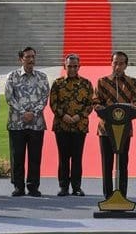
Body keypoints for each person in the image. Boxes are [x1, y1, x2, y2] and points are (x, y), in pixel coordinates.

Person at [93, 51, 136, 198]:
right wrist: (100, 108)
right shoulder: (102, 81)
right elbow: (96, 102)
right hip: (106, 129)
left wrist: (134, 107)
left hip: (124, 128)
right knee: (107, 164)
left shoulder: (132, 82)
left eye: (121, 63)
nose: (117, 66)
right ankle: (108, 196)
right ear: (111, 63)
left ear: (126, 65)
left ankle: (122, 195)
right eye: (115, 63)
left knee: (122, 163)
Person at [4, 46, 50, 197]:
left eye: (33, 57)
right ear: (21, 59)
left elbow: (44, 97)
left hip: (36, 124)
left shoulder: (42, 77)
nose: (31, 60)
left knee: (35, 156)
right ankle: (18, 186)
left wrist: (34, 112)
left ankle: (33, 186)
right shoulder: (12, 76)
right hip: (17, 123)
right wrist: (24, 112)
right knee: (17, 156)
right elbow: (9, 98)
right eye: (27, 57)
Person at [49, 53, 93, 197]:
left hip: (79, 126)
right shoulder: (57, 83)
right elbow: (53, 103)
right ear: (64, 66)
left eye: (75, 66)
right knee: (63, 157)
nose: (72, 69)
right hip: (62, 126)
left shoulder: (86, 84)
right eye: (70, 66)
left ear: (79, 67)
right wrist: (64, 116)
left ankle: (76, 187)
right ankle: (63, 187)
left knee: (77, 157)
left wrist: (78, 116)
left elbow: (90, 104)